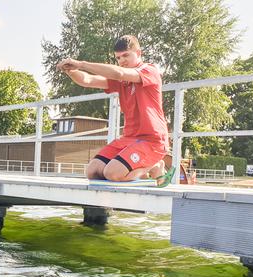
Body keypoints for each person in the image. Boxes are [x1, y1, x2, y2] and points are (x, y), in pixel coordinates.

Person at [57, 35, 175, 187]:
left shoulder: (149, 71)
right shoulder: (121, 80)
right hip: (129, 138)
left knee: (112, 173)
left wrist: (81, 63)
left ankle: (155, 166)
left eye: (126, 55)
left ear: (138, 53)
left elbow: (119, 73)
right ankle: (146, 169)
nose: (122, 61)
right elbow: (87, 80)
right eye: (118, 58)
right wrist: (71, 71)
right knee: (93, 172)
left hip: (152, 140)